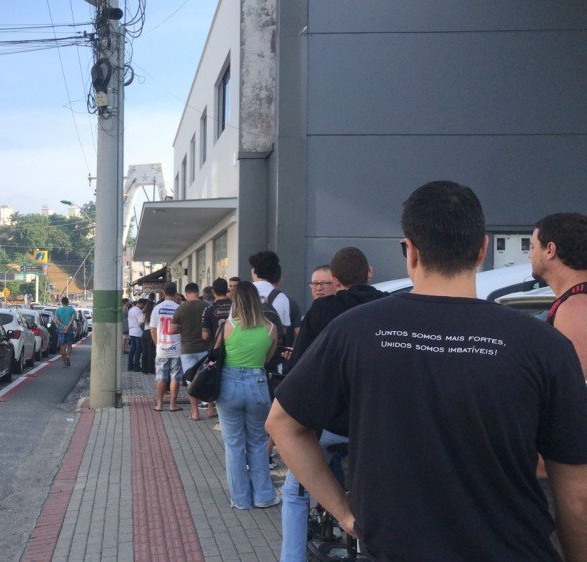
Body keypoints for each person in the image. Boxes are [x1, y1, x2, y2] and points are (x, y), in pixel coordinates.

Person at [267, 181, 587, 560]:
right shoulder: (543, 344)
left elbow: (282, 424)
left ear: (411, 251)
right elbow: (576, 492)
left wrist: (346, 513)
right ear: (482, 249)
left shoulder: (355, 330)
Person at [278, 247, 386, 562]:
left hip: (330, 427)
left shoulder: (322, 310)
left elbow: (297, 371)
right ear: (369, 272)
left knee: (295, 491)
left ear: (335, 280)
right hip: (375, 429)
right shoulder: (389, 306)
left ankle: (292, 557)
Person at [217, 280, 279, 509]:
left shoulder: (227, 326)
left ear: (236, 301)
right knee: (259, 442)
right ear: (257, 301)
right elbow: (267, 359)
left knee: (234, 444)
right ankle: (264, 496)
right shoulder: (271, 328)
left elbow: (216, 355)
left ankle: (241, 499)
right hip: (257, 384)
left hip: (228, 385)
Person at [530, 212, 587, 377]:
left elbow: (578, 382)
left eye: (532, 247)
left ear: (550, 250)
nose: (529, 255)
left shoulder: (574, 308)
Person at [169, 283, 210, 421]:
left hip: (187, 349)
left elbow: (172, 330)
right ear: (198, 292)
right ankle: (210, 409)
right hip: (204, 348)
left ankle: (195, 413)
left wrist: (183, 330)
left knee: (190, 380)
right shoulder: (206, 306)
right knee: (206, 377)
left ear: (186, 293)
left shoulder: (181, 308)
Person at [201, 278, 232, 422]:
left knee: (212, 377)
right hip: (233, 348)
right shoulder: (235, 306)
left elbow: (205, 335)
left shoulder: (209, 309)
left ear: (213, 291)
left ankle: (211, 408)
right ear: (227, 290)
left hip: (214, 350)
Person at [151, 282, 182, 412]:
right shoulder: (179, 308)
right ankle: (172, 405)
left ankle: (159, 404)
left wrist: (157, 343)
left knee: (161, 377)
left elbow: (153, 329)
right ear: (175, 292)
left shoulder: (157, 308)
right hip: (176, 347)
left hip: (162, 347)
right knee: (175, 377)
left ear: (163, 292)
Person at [53, 296, 76, 367]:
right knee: (69, 344)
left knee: (62, 345)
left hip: (61, 330)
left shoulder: (58, 310)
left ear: (62, 302)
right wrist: (68, 326)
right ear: (68, 302)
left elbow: (56, 320)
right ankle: (68, 356)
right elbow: (72, 319)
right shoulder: (71, 310)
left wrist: (63, 326)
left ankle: (64, 362)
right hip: (70, 329)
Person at [127, 299, 145, 372]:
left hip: (131, 331)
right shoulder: (138, 310)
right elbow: (141, 321)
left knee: (132, 349)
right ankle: (136, 366)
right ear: (141, 303)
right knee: (138, 349)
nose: (143, 307)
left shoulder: (131, 309)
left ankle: (130, 366)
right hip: (138, 331)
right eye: (143, 305)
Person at [140, 300, 156, 376]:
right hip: (151, 332)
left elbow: (139, 321)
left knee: (144, 351)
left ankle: (144, 369)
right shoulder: (154, 314)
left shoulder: (144, 313)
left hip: (145, 333)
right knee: (151, 352)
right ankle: (151, 369)